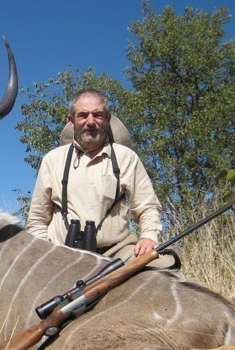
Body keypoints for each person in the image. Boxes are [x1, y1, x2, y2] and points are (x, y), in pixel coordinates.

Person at [26, 88, 162, 258]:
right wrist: (44, 252)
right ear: (71, 121)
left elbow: (147, 207)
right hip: (61, 252)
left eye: (97, 115)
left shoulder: (126, 157)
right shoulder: (52, 159)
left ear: (107, 119)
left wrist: (149, 237)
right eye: (83, 115)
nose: (90, 122)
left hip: (115, 253)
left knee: (163, 264)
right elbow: (38, 218)